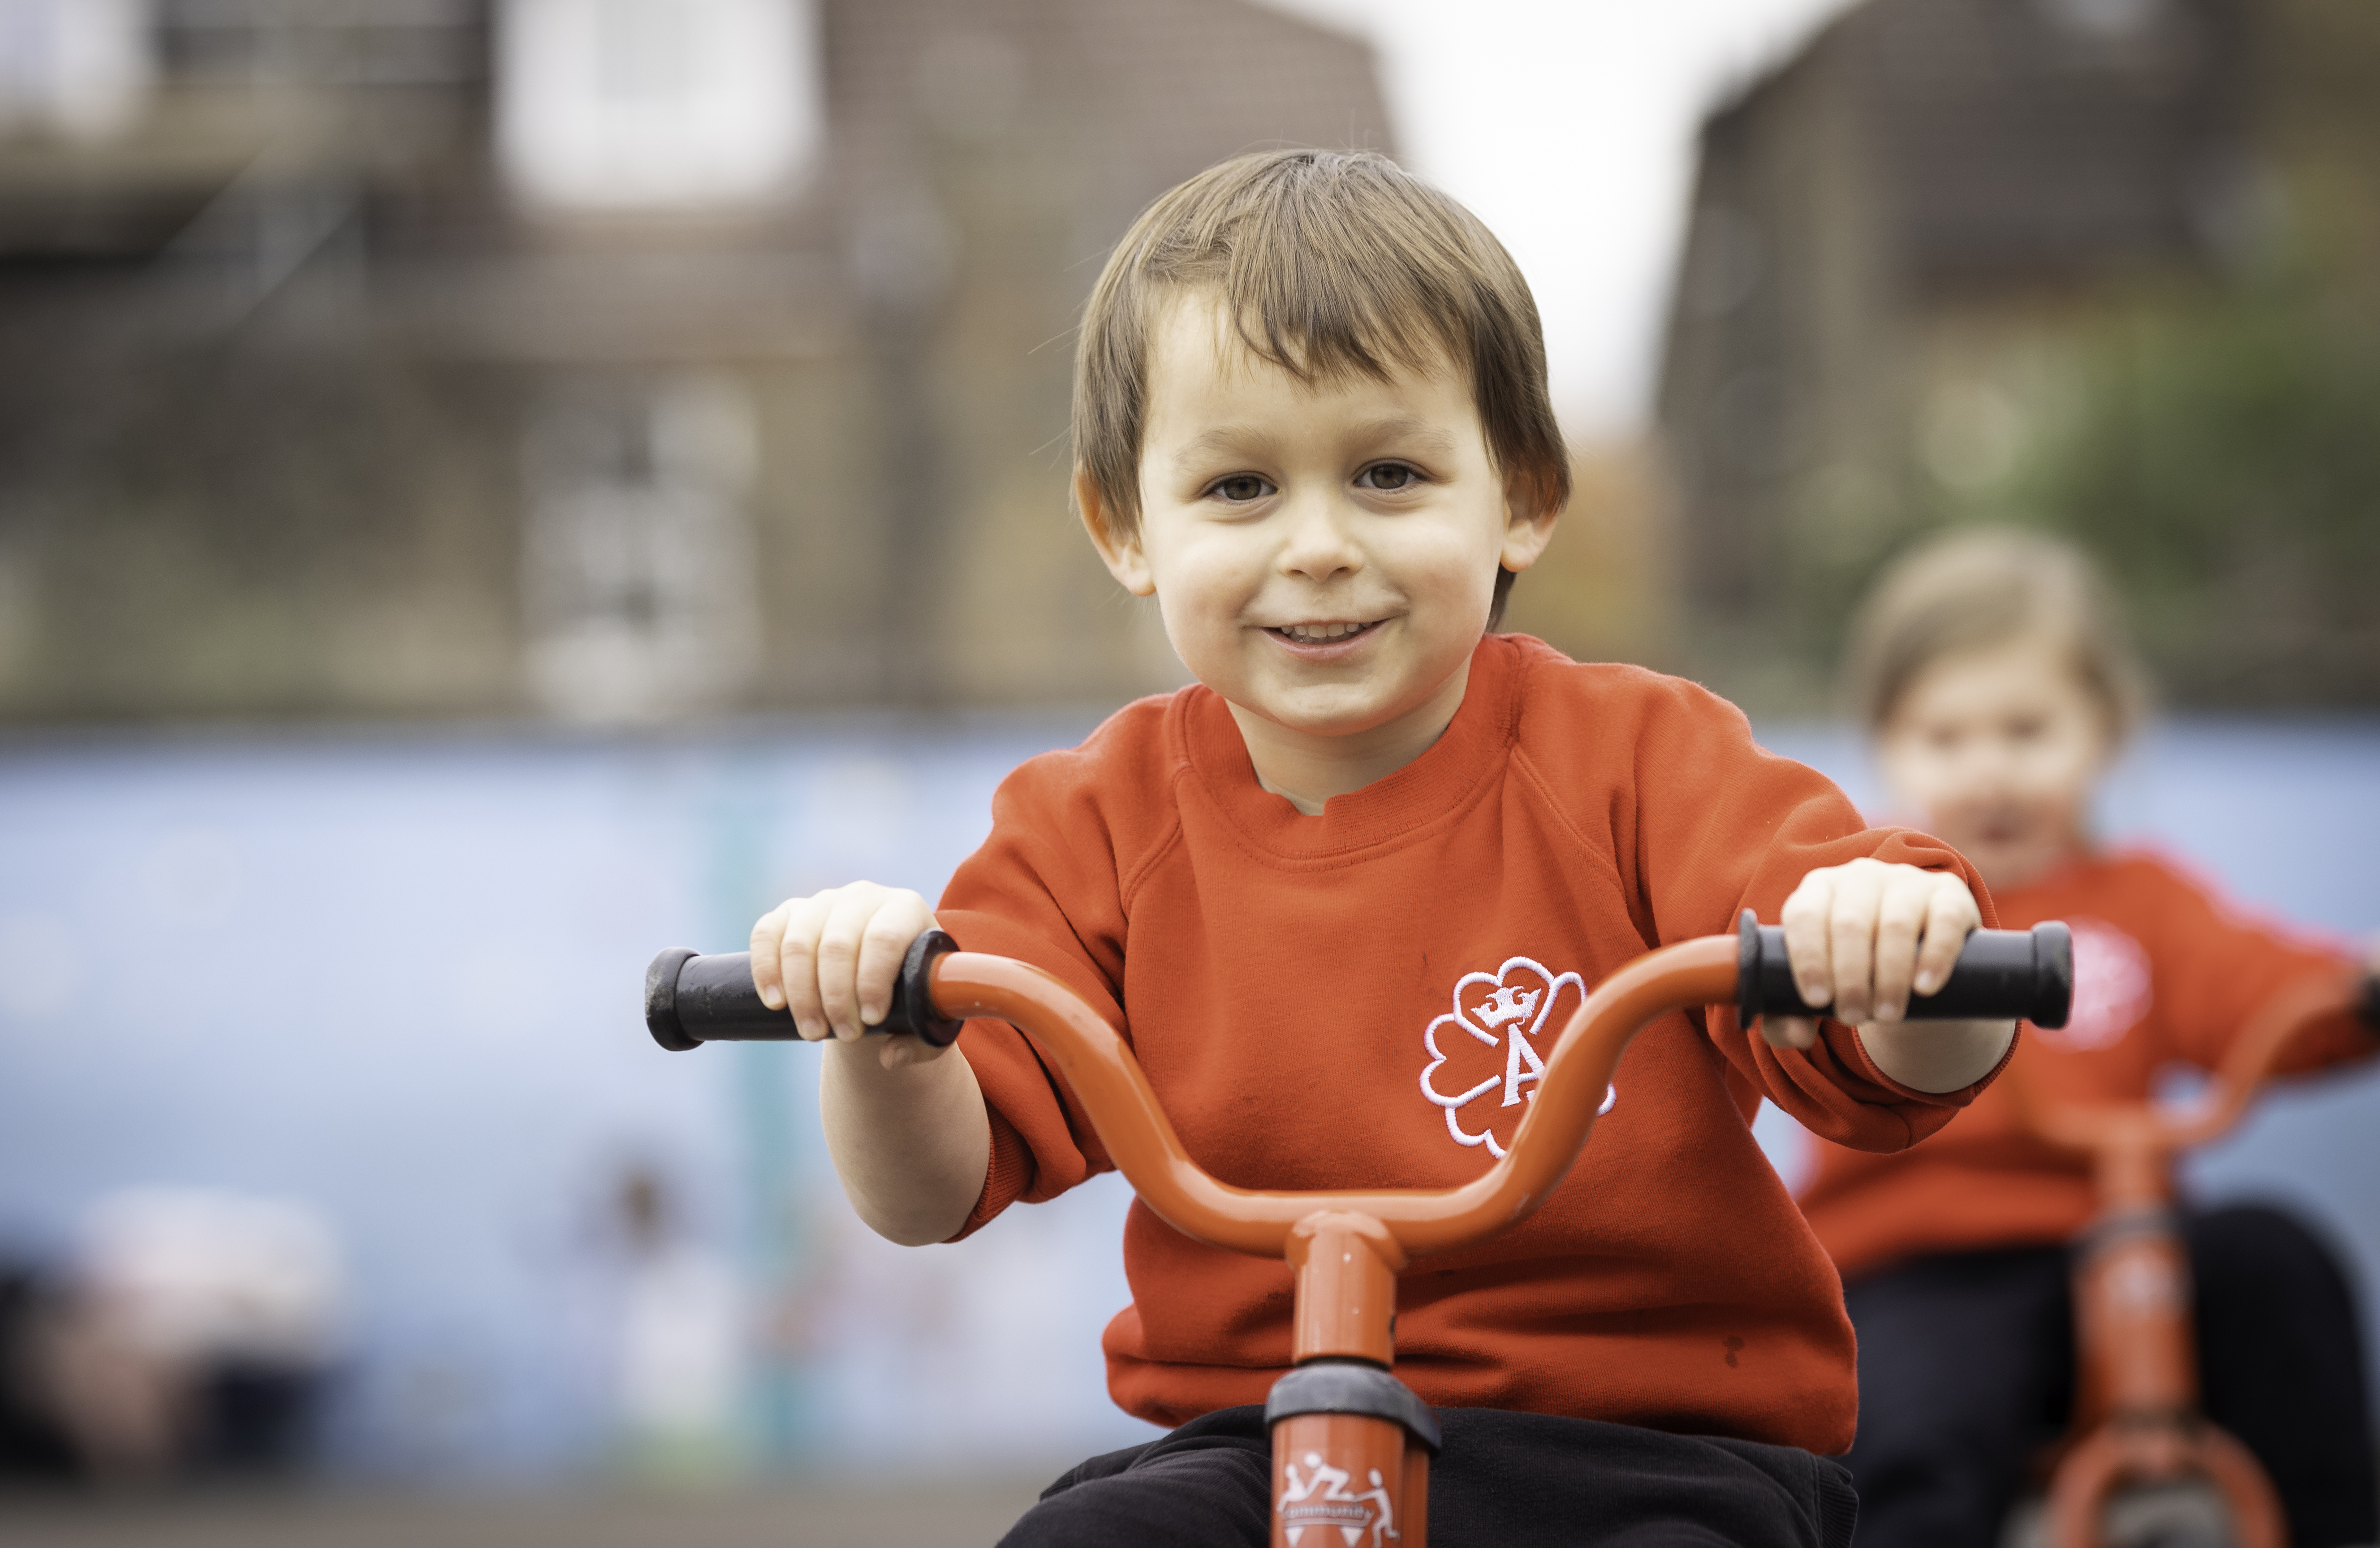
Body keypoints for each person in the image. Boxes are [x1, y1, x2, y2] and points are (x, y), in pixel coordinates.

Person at [749, 150, 2021, 1547]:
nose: (1318, 546)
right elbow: (931, 1190)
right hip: (1259, 1437)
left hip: (1646, 1449)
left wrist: (1896, 955)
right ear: (1125, 529)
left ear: (1521, 497)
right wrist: (882, 1034)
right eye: (1238, 490)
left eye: (1390, 474)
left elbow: (1891, 1065)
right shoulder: (1091, 826)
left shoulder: (1642, 763)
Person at [1798, 527, 2380, 1548]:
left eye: (2026, 732)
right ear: (1888, 744)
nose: (1988, 773)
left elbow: (2253, 988)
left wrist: (2356, 991)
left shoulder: (2139, 902)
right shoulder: (1873, 904)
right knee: (1917, 1424)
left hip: (2113, 1245)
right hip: (1919, 1265)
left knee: (2271, 1262)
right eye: (1945, 739)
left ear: (2100, 733)